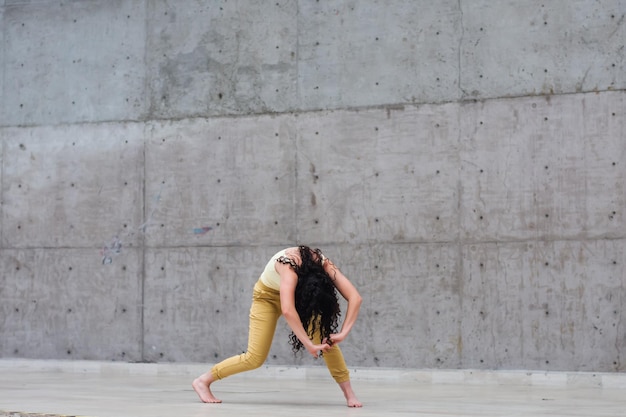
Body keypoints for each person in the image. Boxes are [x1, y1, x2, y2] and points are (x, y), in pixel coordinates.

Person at [192, 245, 363, 407]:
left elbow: (355, 297)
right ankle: (203, 381)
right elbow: (288, 310)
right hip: (267, 298)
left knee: (327, 341)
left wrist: (343, 333)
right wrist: (308, 343)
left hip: (300, 296)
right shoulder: (288, 268)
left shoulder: (323, 264)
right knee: (254, 358)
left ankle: (349, 394)